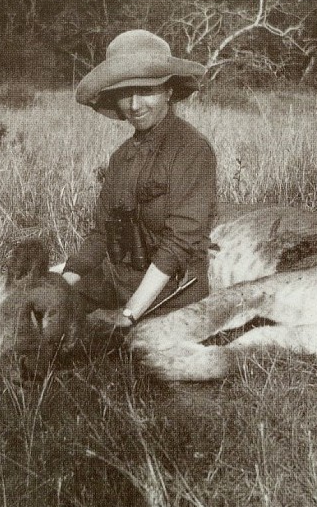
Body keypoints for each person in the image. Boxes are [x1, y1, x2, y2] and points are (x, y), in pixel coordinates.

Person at [61, 29, 218, 329]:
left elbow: (178, 244)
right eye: (124, 93)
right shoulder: (121, 157)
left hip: (172, 293)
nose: (134, 105)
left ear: (169, 91)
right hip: (116, 283)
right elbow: (101, 235)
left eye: (146, 91)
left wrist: (129, 314)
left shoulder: (193, 150)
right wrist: (63, 283)